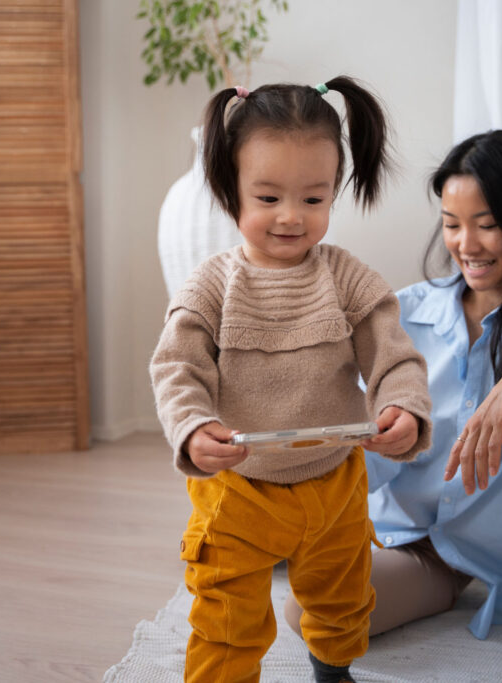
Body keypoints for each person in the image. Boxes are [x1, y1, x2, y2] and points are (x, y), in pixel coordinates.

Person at [283, 129, 502, 643]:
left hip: (481, 553)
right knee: (305, 597)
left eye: (487, 225)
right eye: (452, 225)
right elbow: (356, 442)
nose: (467, 245)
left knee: (314, 608)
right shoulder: (405, 314)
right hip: (402, 533)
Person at [150, 77, 433, 683]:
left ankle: (332, 670)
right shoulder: (211, 285)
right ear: (231, 192)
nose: (290, 217)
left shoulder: (347, 277)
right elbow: (177, 368)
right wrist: (193, 425)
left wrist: (403, 408)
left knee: (344, 594)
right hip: (237, 489)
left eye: (313, 199)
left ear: (335, 193)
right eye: (269, 196)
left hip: (333, 484)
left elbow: (393, 354)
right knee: (225, 612)